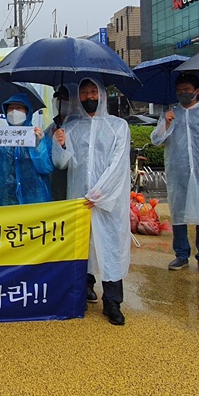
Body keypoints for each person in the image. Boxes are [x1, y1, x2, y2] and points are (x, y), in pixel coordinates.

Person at [52, 78, 132, 326]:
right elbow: (61, 163)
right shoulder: (72, 127)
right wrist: (61, 144)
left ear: (103, 95)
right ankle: (82, 293)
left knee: (110, 246)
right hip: (78, 197)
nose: (89, 96)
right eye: (84, 92)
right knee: (80, 245)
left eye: (93, 91)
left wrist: (98, 193)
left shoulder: (118, 127)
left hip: (107, 200)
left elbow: (118, 165)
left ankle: (113, 301)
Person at [150, 74, 199, 275]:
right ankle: (181, 254)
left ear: (197, 91)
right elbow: (156, 140)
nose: (183, 93)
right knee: (179, 213)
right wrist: (166, 123)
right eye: (179, 90)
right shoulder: (170, 114)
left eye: (187, 89)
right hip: (178, 172)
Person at [0, 93, 53, 206]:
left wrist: (38, 145)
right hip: (7, 200)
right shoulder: (0, 138)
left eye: (18, 108)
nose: (14, 112)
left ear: (27, 112)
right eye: (10, 108)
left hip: (36, 200)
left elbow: (46, 168)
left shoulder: (39, 136)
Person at [44, 86, 72, 201]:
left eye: (65, 98)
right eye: (57, 97)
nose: (60, 101)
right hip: (54, 182)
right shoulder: (51, 128)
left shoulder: (79, 125)